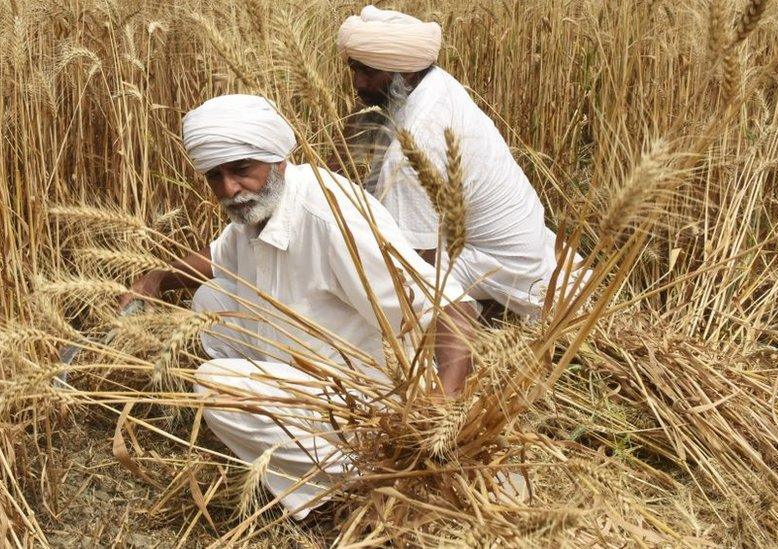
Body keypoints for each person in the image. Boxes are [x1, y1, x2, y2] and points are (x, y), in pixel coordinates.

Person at [121, 94, 477, 518]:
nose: (229, 189)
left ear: (277, 159)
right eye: (215, 176)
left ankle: (349, 478)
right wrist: (156, 279)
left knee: (214, 385)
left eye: (241, 170)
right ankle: (291, 434)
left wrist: (440, 407)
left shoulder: (330, 219)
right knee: (209, 302)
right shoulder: (259, 207)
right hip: (303, 360)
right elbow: (217, 260)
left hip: (360, 395)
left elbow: (449, 304)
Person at [337, 6, 586, 319]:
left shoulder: (416, 146)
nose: (357, 83)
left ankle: (471, 314)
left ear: (407, 71)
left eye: (369, 73)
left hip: (509, 272)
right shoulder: (435, 83)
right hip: (522, 245)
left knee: (365, 268)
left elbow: (417, 261)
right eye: (354, 70)